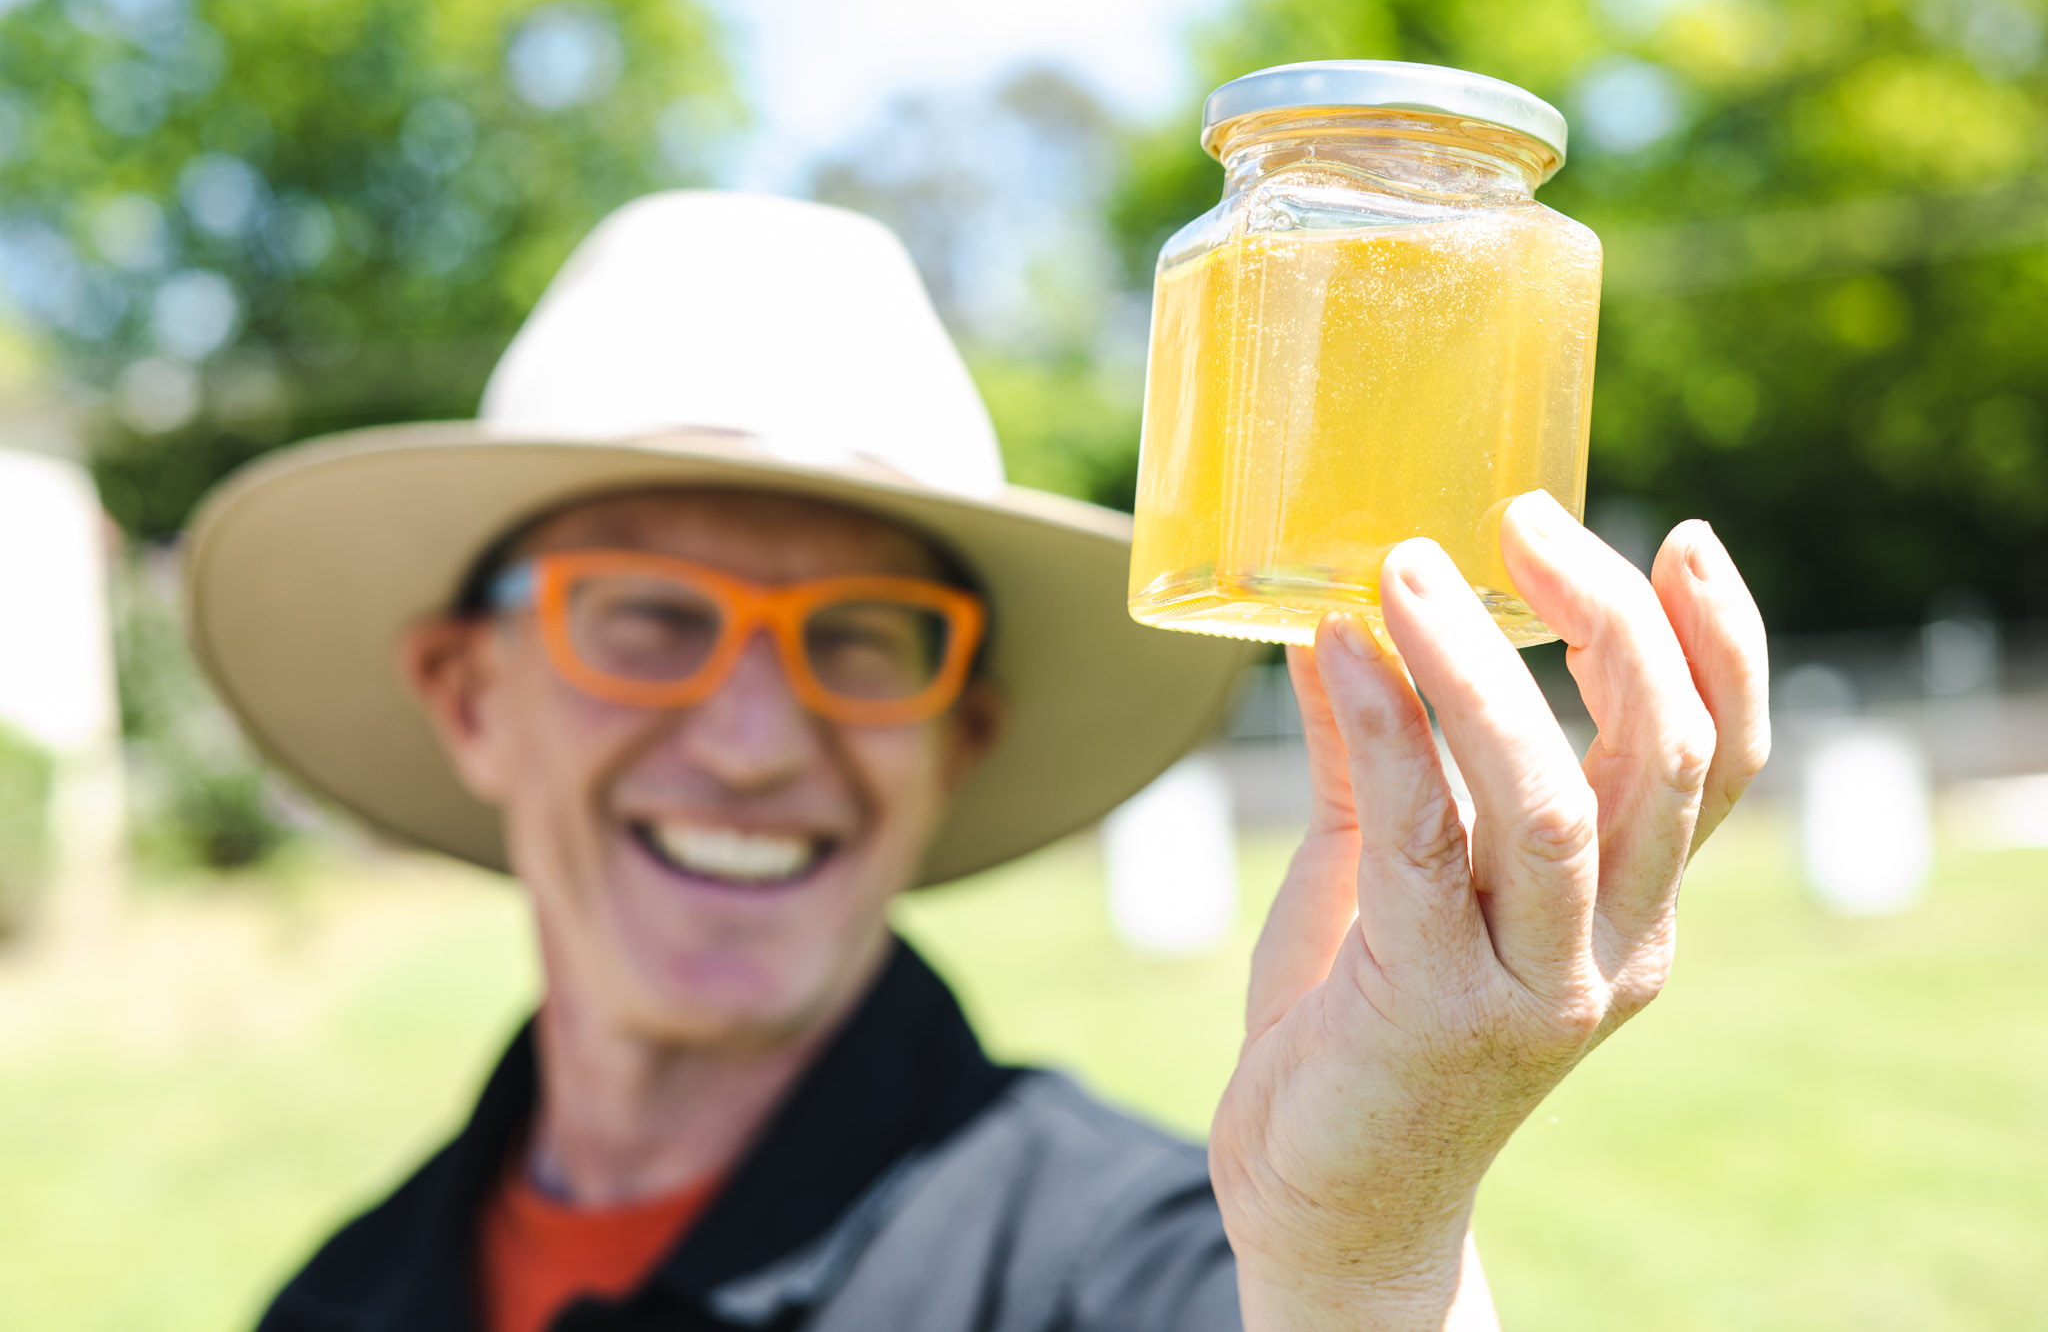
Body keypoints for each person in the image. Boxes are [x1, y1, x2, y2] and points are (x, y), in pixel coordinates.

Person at [185, 192, 1770, 1332]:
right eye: (652, 618)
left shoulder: (1143, 1261)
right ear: (471, 695)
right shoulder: (341, 1299)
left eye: (865, 638)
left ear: (963, 733)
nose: (751, 740)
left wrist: (1364, 1257)